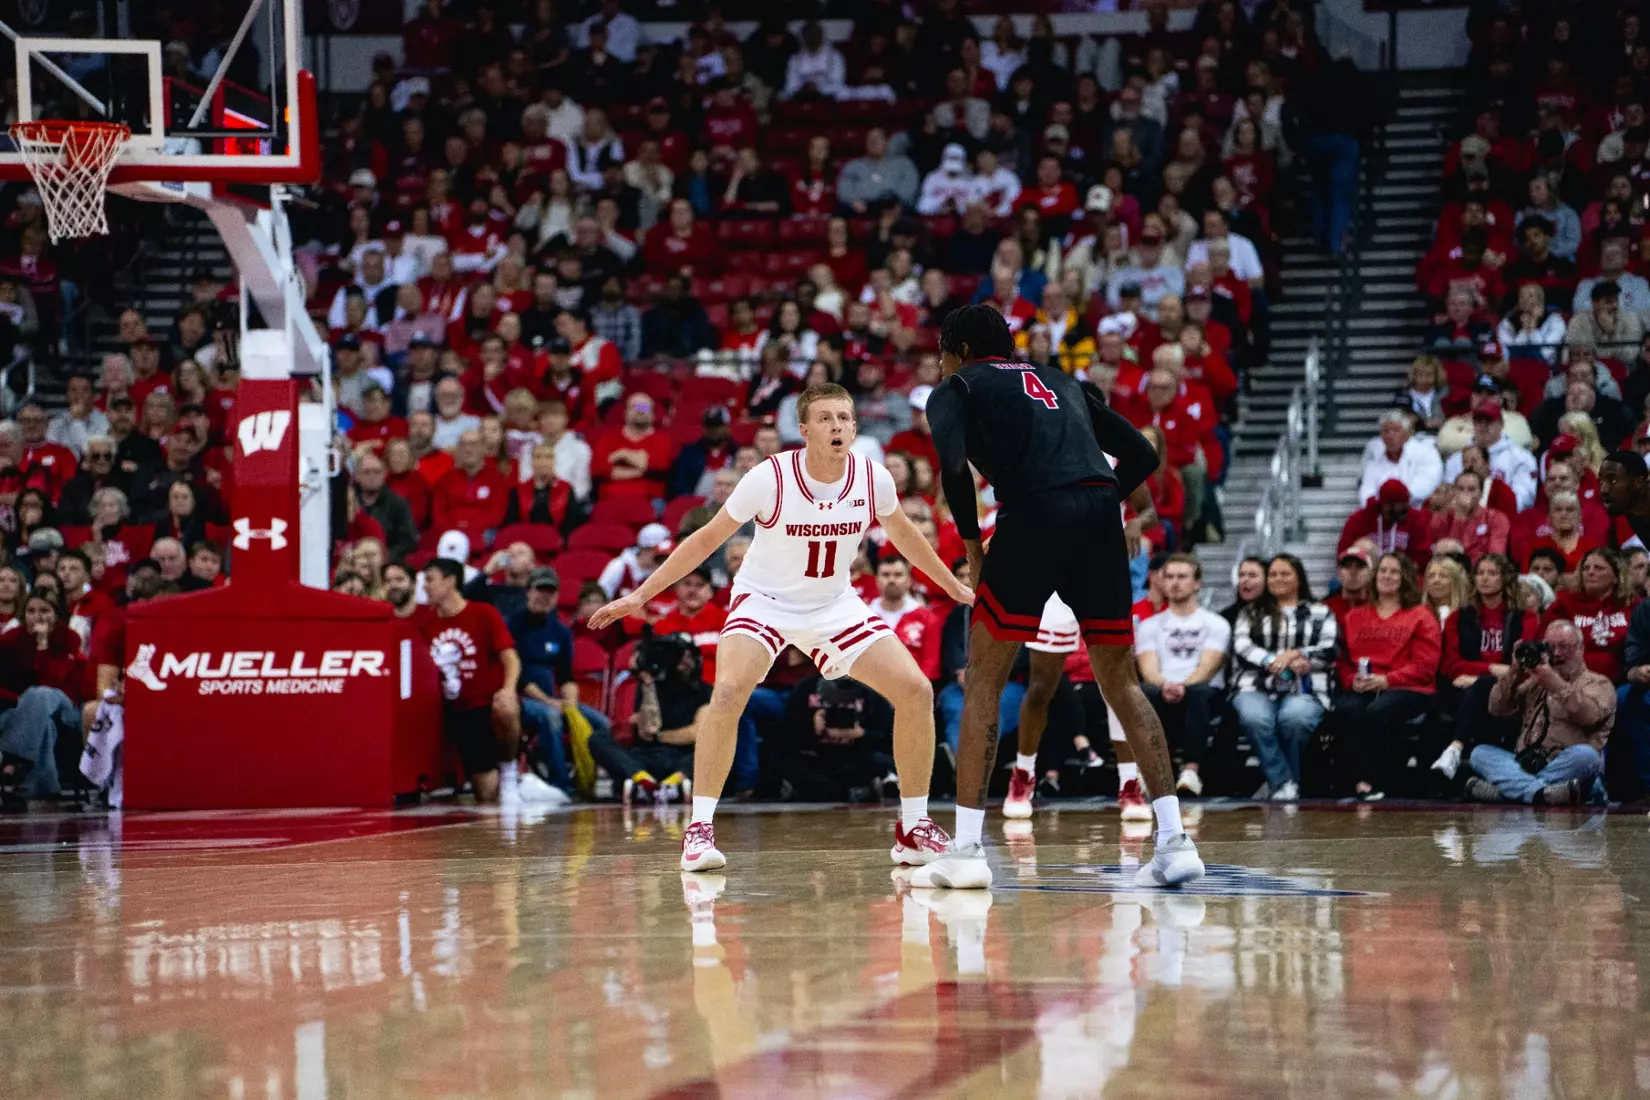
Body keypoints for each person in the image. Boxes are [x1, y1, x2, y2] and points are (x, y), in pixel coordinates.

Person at [587, 383, 973, 873]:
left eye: (845, 418)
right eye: (826, 418)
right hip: (764, 601)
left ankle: (914, 828)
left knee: (916, 691)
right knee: (726, 692)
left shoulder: (872, 479)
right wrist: (641, 594)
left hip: (834, 603)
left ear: (856, 427)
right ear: (805, 429)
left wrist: (954, 586)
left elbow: (906, 536)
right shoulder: (769, 478)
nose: (837, 426)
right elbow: (706, 538)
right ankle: (700, 829)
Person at [923, 304, 1202, 890]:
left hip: (1031, 514)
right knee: (1121, 682)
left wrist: (974, 549)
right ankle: (1176, 843)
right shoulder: (1062, 381)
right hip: (1099, 514)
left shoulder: (956, 387)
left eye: (943, 353)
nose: (941, 363)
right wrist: (1098, 500)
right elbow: (1143, 456)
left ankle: (968, 850)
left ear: (960, 350)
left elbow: (952, 470)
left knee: (984, 679)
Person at [1465, 620, 1613, 806]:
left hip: (1566, 767)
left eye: (1564, 646)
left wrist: (1555, 683)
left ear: (1580, 648)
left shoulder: (1599, 683)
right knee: (1480, 753)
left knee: (1587, 756)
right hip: (1525, 764)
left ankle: (1508, 792)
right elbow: (1497, 708)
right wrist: (1514, 671)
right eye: (1550, 647)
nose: (1557, 653)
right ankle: (1542, 794)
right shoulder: (1535, 683)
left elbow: (1589, 716)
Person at [1230, 555, 1336, 802]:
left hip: (1306, 688)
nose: (1278, 579)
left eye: (1285, 573)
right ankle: (1284, 782)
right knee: (1255, 718)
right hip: (1254, 686)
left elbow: (1331, 648)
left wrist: (1298, 655)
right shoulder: (1250, 612)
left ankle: (1282, 784)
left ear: (1299, 578)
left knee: (1295, 718)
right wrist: (1274, 662)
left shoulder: (1321, 612)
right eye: (1273, 574)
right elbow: (1242, 646)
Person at [1335, 553, 1441, 801]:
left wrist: (1388, 680)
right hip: (1364, 685)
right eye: (1382, 570)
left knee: (1379, 710)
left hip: (1410, 687)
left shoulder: (1421, 615)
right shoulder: (1354, 616)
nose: (1387, 576)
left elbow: (1425, 665)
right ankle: (1355, 783)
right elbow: (1342, 662)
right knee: (1347, 709)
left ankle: (1380, 781)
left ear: (1405, 578)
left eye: (1394, 571)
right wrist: (1352, 680)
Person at [419, 558, 522, 805]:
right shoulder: (425, 624)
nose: (425, 587)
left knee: (507, 707)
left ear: (450, 580)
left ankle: (510, 772)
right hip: (453, 711)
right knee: (485, 794)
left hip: (484, 705)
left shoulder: (483, 613)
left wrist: (508, 689)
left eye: (430, 580)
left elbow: (510, 658)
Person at [1134, 554, 1231, 797]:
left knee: (1197, 693)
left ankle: (1191, 771)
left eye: (1182, 577)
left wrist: (1182, 686)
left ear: (1197, 583)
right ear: (1162, 582)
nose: (1175, 583)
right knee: (1142, 691)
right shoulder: (1149, 626)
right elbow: (1148, 669)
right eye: (1169, 577)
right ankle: (1147, 772)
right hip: (1161, 691)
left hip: (1203, 693)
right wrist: (1166, 685)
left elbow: (1208, 667)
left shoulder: (1216, 623)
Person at [1433, 555, 1533, 781]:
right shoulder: (1458, 618)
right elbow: (1449, 664)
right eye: (1480, 573)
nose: (1485, 579)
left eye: (1492, 573)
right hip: (1462, 689)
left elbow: (1526, 663)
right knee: (1481, 688)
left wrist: (1480, 675)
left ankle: (1455, 749)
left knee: (1482, 686)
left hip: (1511, 690)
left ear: (1505, 579)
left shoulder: (1524, 617)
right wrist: (1493, 669)